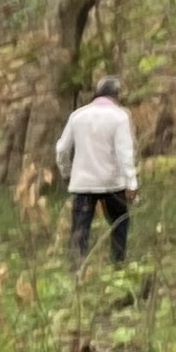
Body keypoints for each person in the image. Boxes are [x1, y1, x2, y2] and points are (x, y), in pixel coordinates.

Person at [55, 78, 138, 263]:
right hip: (112, 184)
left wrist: (67, 173)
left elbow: (61, 149)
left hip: (83, 183)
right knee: (119, 225)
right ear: (116, 96)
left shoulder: (77, 116)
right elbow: (125, 153)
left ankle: (76, 272)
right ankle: (118, 267)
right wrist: (131, 183)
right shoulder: (119, 117)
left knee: (80, 230)